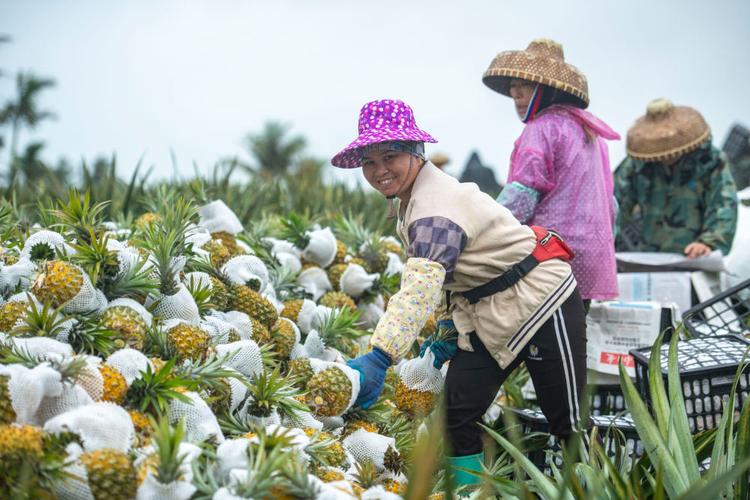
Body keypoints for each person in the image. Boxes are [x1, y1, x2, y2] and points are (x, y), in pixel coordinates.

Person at [332, 99, 587, 489]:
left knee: (566, 421)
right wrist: (447, 327)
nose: (380, 170)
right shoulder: (412, 198)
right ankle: (468, 495)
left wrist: (380, 355)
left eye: (391, 156)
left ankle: (592, 488)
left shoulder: (435, 207)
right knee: (457, 414)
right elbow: (449, 274)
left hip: (541, 298)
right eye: (370, 161)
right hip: (491, 308)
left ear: (416, 153)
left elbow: (419, 287)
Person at [482, 38, 620, 309]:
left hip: (551, 255)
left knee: (543, 342)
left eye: (526, 86)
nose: (516, 95)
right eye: (514, 86)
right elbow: (611, 205)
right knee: (576, 338)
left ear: (547, 90)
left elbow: (522, 194)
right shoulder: (592, 134)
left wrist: (484, 228)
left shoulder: (542, 128)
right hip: (591, 257)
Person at [614, 98, 738, 257]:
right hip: (650, 257)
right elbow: (614, 206)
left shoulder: (710, 161)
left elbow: (724, 204)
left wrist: (709, 243)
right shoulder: (636, 165)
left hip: (695, 257)